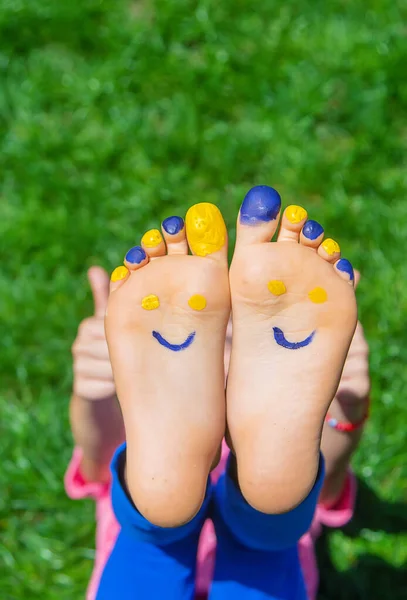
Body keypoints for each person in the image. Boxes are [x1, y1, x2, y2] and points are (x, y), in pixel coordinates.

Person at [66, 186, 370, 599]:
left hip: (140, 568)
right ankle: (249, 512)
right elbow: (328, 489)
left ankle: (164, 512)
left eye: (233, 334)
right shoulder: (142, 414)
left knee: (153, 539)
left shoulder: (146, 416)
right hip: (270, 566)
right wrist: (96, 390)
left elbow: (100, 468)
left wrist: (343, 405)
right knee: (266, 543)